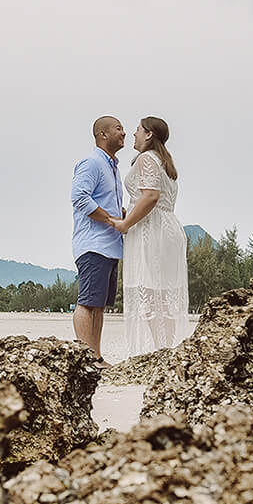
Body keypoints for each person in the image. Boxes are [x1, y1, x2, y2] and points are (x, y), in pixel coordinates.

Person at [113, 115, 188, 357]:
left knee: (151, 291)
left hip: (152, 231)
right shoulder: (166, 161)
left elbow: (150, 196)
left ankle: (160, 351)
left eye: (137, 130)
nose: (132, 134)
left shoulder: (146, 158)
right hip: (168, 228)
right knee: (164, 295)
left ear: (148, 135)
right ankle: (166, 348)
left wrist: (126, 223)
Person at [70, 115, 126, 361]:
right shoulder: (91, 162)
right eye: (118, 128)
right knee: (87, 302)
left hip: (111, 246)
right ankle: (85, 358)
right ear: (103, 134)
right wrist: (111, 220)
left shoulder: (113, 167)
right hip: (94, 244)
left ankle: (96, 357)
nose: (123, 133)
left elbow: (106, 203)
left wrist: (122, 214)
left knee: (99, 305)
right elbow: (79, 197)